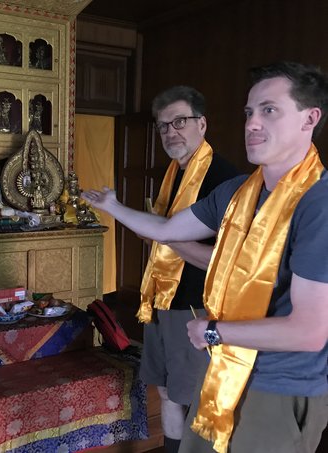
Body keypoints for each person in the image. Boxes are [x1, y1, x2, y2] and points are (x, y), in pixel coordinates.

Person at [81, 61, 328, 453]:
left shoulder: (318, 203)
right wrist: (112, 207)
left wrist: (213, 331)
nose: (252, 123)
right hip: (221, 369)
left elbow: (309, 331)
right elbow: (167, 229)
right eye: (249, 112)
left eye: (269, 110)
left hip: (277, 384)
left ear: (309, 118)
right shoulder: (238, 192)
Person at [131, 86, 242, 453]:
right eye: (163, 126)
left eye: (180, 121)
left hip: (196, 306)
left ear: (202, 124)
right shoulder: (173, 174)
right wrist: (157, 231)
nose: (170, 132)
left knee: (195, 398)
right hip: (162, 299)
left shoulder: (224, 179)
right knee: (166, 391)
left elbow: (226, 261)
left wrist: (163, 233)